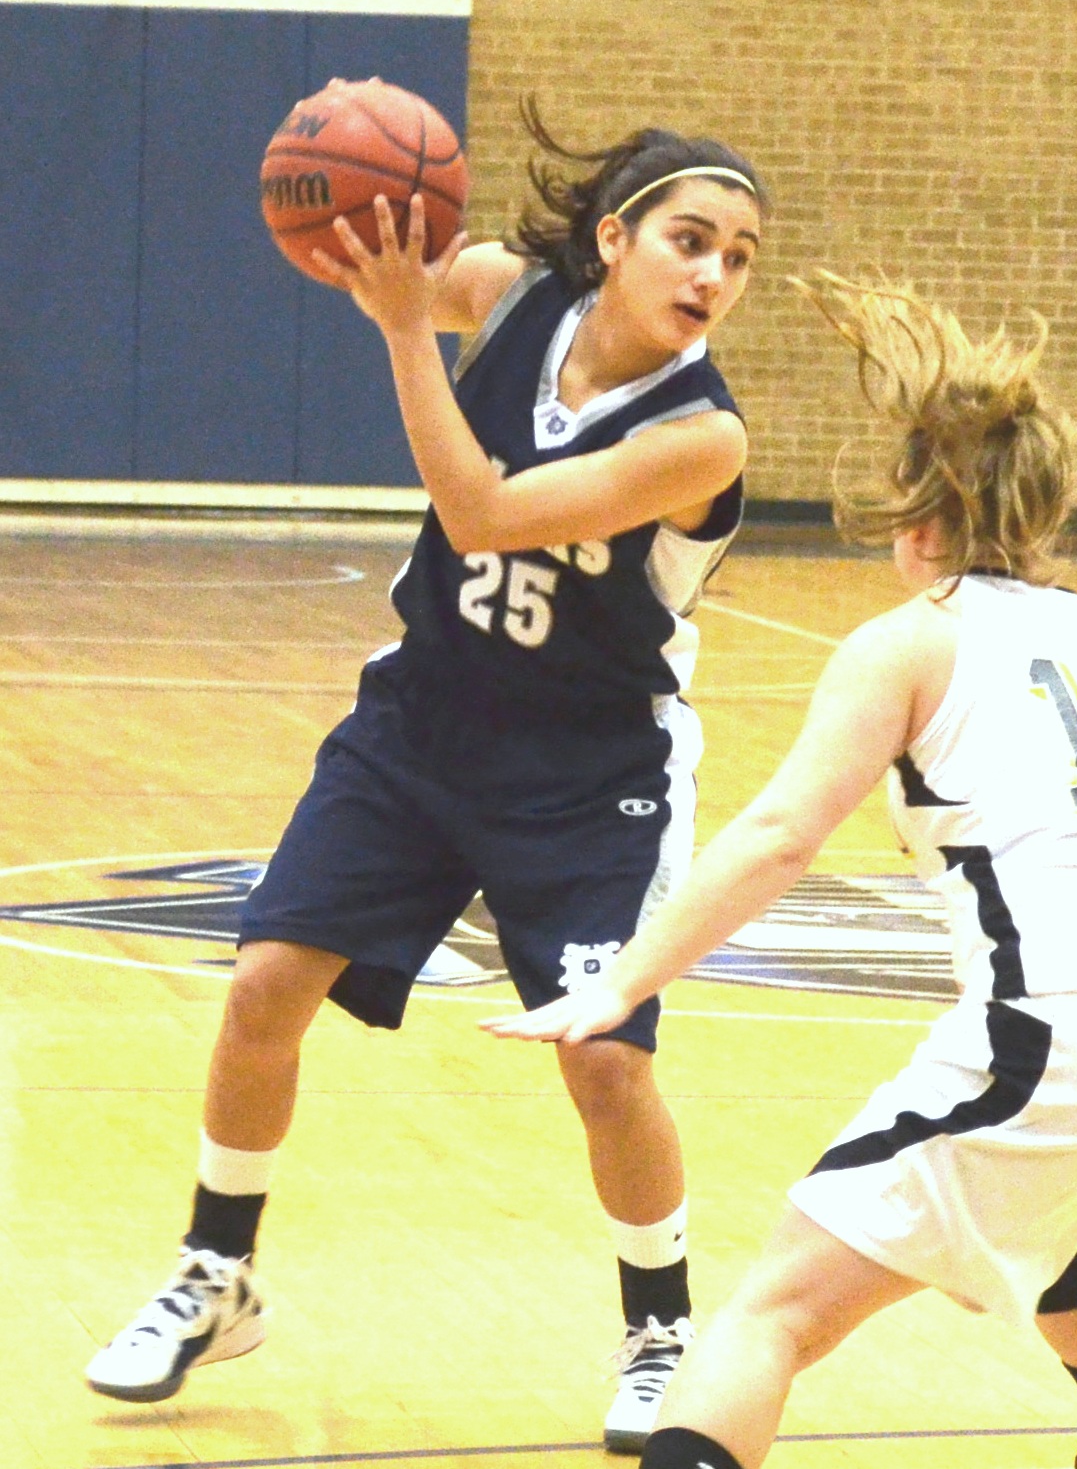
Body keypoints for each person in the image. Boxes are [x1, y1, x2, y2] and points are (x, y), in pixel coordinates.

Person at [489, 272, 1077, 1469]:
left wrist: (620, 983)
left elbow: (779, 835)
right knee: (1057, 1234)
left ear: (916, 521)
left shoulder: (910, 640)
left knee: (771, 1315)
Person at [85, 94, 768, 1454]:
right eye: (691, 240)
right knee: (265, 983)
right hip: (424, 721)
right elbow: (374, 264)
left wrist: (404, 330)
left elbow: (482, 510)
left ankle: (660, 1329)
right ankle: (218, 1272)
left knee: (604, 1061)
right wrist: (347, 219)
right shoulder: (512, 295)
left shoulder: (700, 435)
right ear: (615, 238)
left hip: (589, 774)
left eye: (739, 257)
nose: (713, 274)